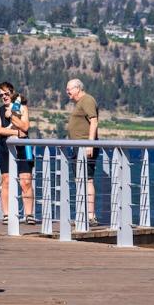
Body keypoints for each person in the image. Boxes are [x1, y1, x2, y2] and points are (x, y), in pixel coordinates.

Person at [0, 82, 34, 224]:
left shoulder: (22, 108)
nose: (4, 97)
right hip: (5, 147)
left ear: (12, 92)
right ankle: (7, 215)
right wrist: (16, 131)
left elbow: (26, 127)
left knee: (26, 181)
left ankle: (29, 215)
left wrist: (12, 117)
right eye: (1, 95)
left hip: (24, 147)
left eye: (6, 93)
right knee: (7, 180)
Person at [66, 78, 99, 226]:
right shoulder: (80, 103)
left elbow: (94, 120)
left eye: (69, 89)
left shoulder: (87, 100)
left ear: (78, 88)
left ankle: (91, 216)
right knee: (80, 180)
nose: (67, 92)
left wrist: (90, 144)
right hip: (78, 146)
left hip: (85, 146)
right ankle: (82, 214)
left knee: (87, 179)